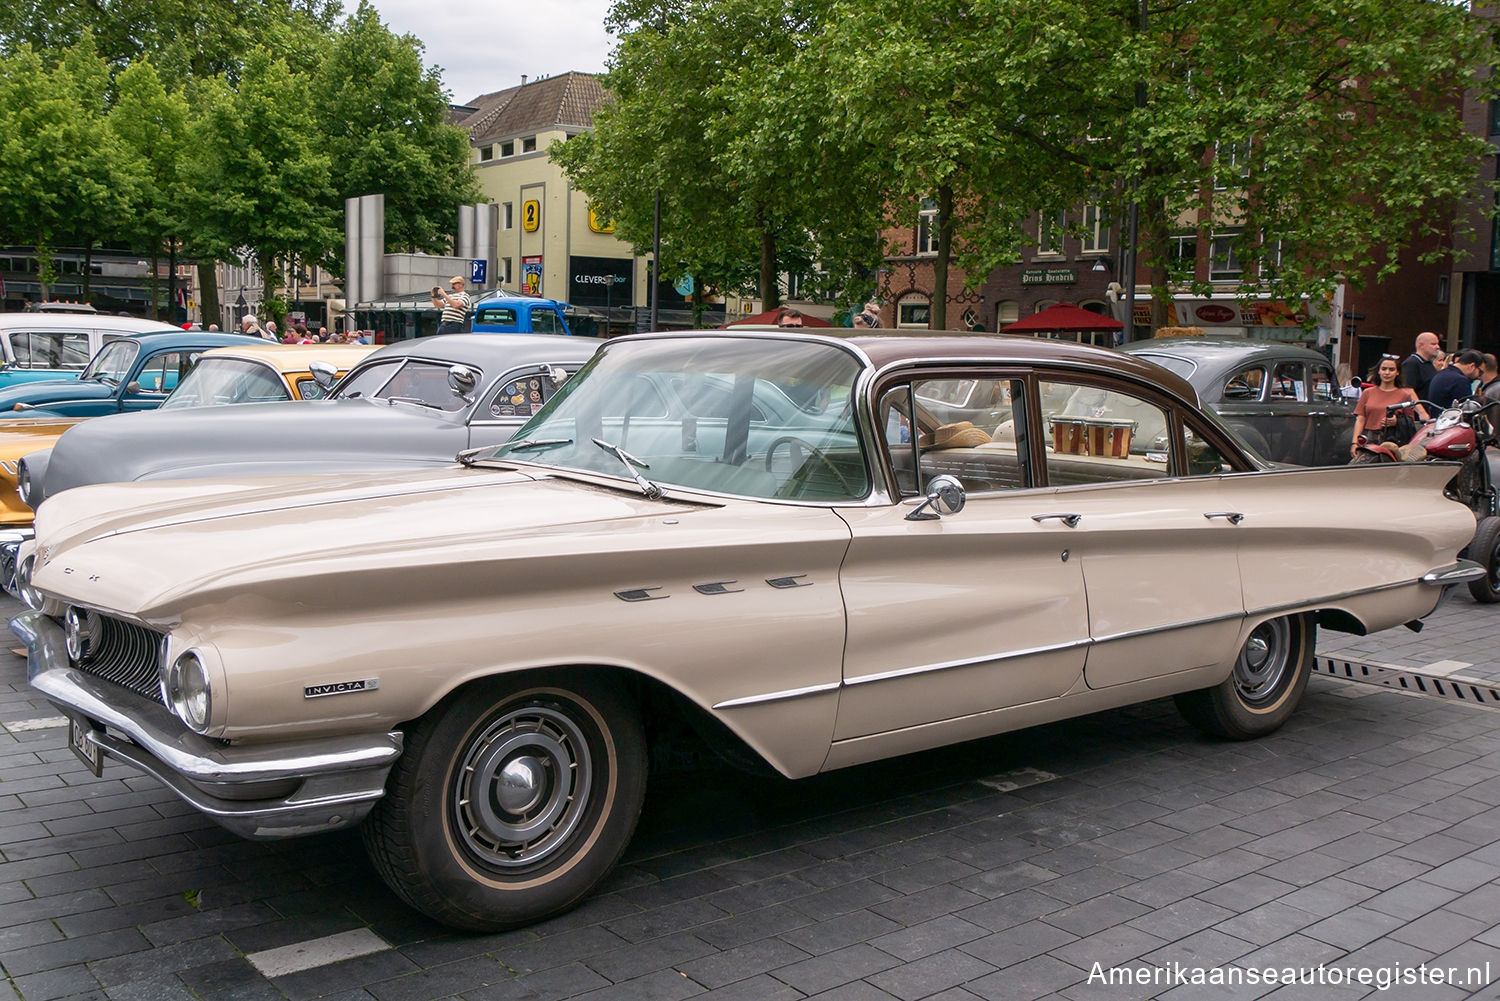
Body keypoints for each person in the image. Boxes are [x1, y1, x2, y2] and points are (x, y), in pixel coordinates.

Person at [1353, 355, 1427, 456]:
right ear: (1378, 371)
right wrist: (1354, 443)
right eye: (1384, 369)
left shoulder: (1404, 395)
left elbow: (1410, 422)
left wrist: (1397, 421)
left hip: (1391, 441)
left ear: (1397, 372)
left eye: (1391, 369)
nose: (1387, 373)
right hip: (1367, 438)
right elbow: (1360, 419)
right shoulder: (1367, 392)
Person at [1401, 331, 1441, 402]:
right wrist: (1421, 412)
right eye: (1433, 344)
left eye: (1437, 344)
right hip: (1418, 410)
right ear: (1421, 345)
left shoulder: (1428, 363)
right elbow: (1408, 390)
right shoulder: (1411, 363)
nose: (1438, 347)